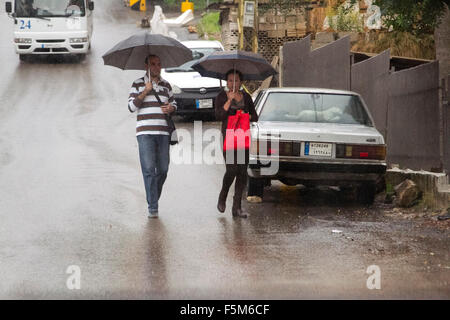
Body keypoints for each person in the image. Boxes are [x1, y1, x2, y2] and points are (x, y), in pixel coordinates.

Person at [128, 55, 176, 219]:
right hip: (145, 133)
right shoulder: (137, 84)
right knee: (149, 169)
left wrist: (170, 108)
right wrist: (145, 91)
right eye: (153, 64)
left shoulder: (166, 85)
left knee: (163, 169)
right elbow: (131, 107)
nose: (157, 67)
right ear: (146, 66)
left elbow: (174, 104)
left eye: (159, 64)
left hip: (163, 133)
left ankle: (152, 197)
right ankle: (153, 206)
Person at [215, 70, 258, 218]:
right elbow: (218, 115)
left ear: (241, 82)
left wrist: (245, 115)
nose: (233, 83)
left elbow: (255, 116)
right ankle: (223, 195)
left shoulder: (246, 97)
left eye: (236, 80)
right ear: (227, 82)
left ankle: (237, 207)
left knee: (242, 172)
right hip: (228, 137)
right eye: (230, 81)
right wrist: (228, 101)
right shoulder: (221, 96)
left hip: (243, 137)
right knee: (231, 169)